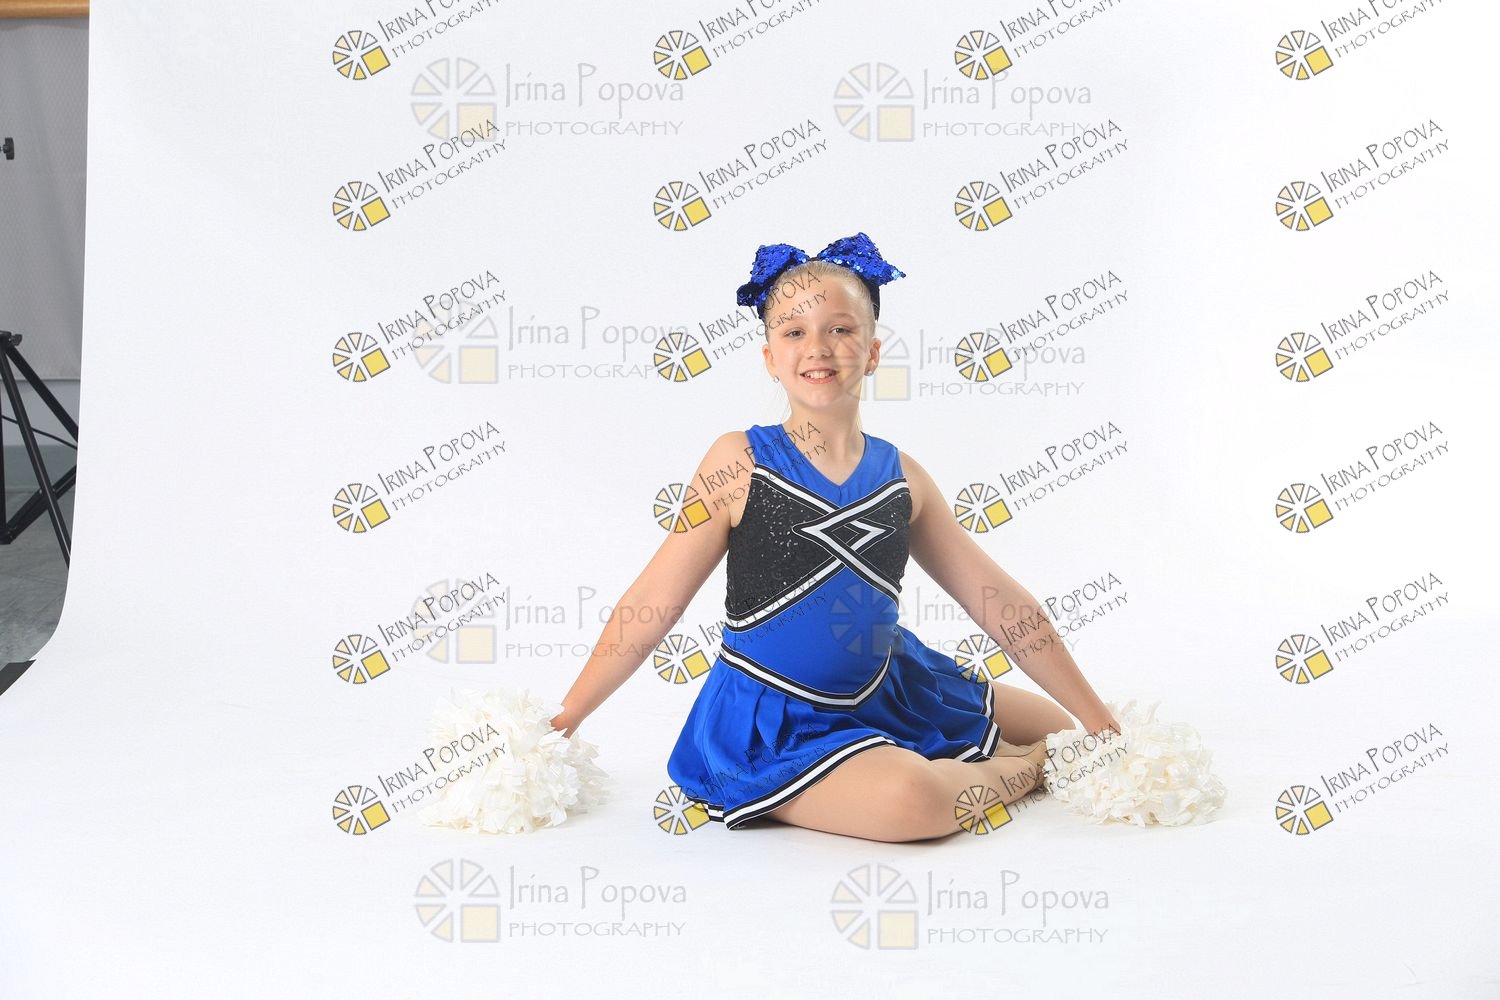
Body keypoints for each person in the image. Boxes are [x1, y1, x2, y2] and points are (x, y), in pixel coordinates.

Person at [549, 232, 1120, 843]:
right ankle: (1025, 768)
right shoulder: (739, 462)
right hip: (774, 718)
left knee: (1055, 722)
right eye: (793, 332)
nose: (817, 347)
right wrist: (564, 720)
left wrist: (1103, 729)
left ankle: (988, 759)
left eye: (840, 330)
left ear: (871, 352)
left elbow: (997, 600)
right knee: (911, 802)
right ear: (770, 358)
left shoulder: (902, 475)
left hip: (889, 686)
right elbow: (653, 600)